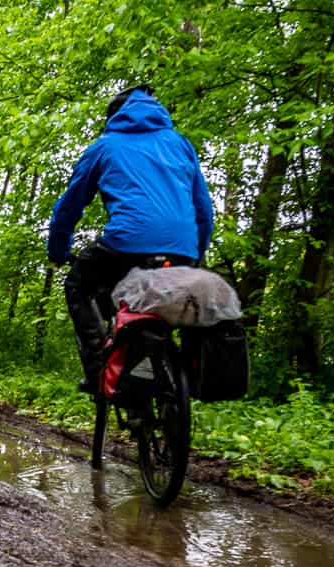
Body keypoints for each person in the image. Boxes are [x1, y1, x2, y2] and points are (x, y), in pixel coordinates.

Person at [48, 85, 214, 393]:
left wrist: (58, 250)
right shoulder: (180, 144)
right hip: (182, 249)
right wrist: (196, 254)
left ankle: (100, 371)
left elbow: (70, 206)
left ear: (114, 115)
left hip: (126, 244)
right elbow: (204, 209)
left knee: (78, 285)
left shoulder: (105, 145)